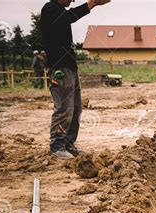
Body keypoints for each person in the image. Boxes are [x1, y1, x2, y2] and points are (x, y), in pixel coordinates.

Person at [41, 0, 110, 160]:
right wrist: (91, 4)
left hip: (69, 67)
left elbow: (67, 17)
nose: (72, 1)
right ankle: (57, 146)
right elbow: (67, 17)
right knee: (64, 109)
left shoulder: (58, 10)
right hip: (59, 68)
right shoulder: (51, 8)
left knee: (76, 109)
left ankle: (68, 143)